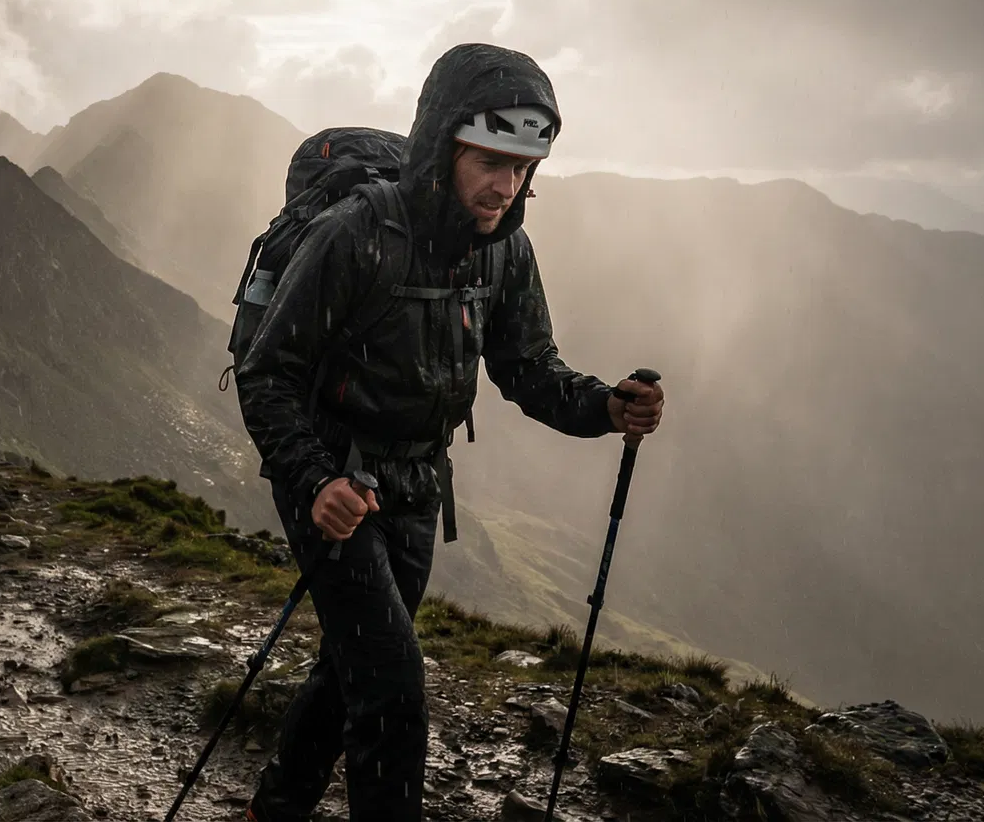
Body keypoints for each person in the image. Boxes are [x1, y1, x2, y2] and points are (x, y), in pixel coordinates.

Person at [234, 42, 666, 821]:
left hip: (416, 486)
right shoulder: (358, 235)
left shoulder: (502, 251)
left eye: (524, 166)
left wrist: (605, 407)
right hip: (331, 479)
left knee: (353, 666)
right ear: (443, 148)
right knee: (394, 688)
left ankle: (278, 806)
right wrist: (313, 481)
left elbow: (528, 368)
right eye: (490, 160)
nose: (507, 185)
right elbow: (268, 372)